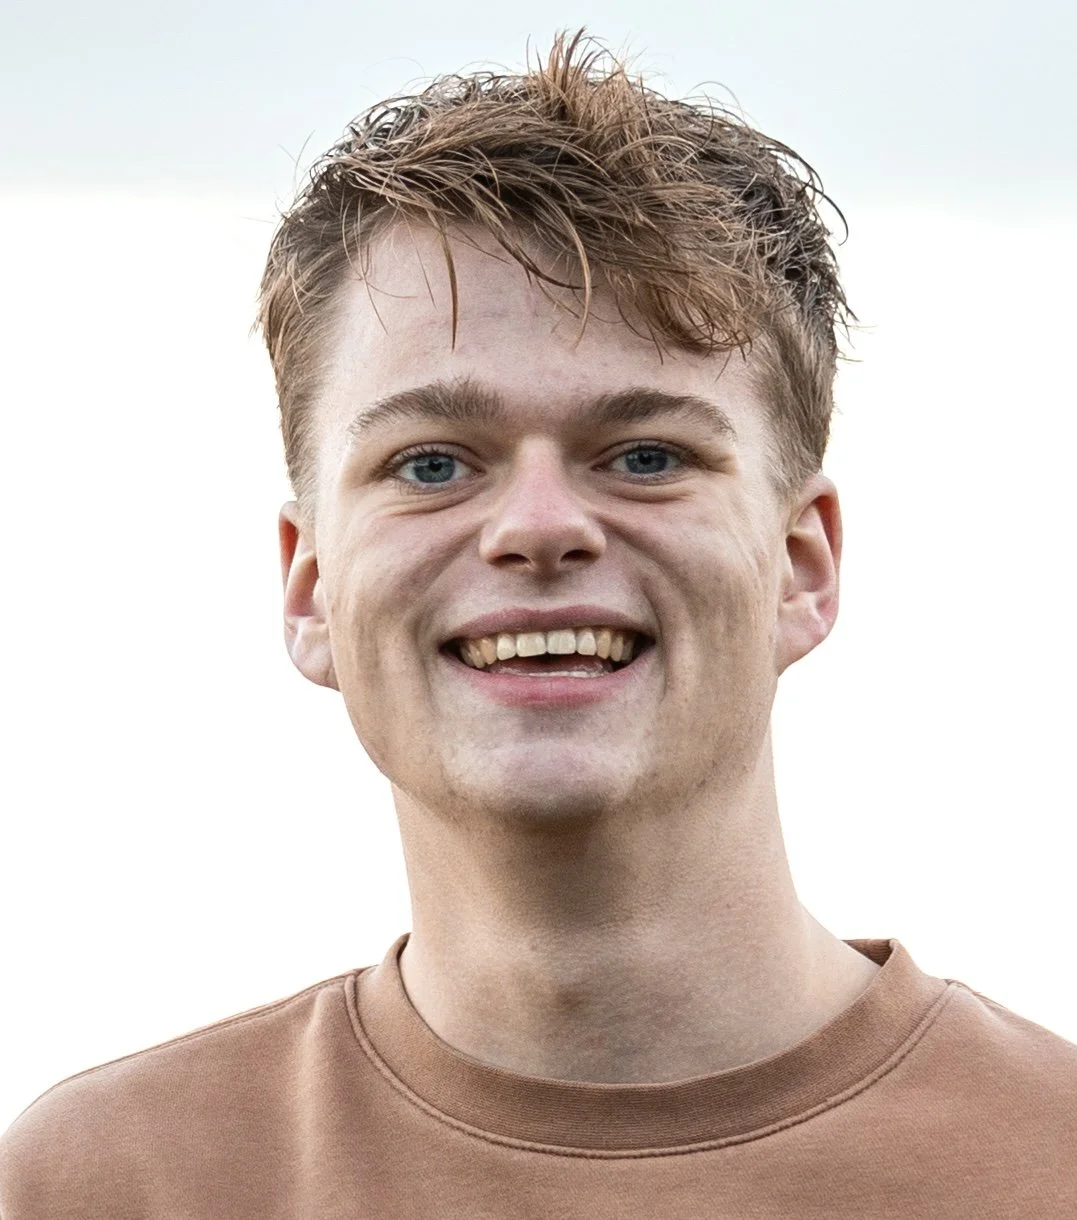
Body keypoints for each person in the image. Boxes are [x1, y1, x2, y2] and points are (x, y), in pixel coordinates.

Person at [2, 30, 1075, 1219]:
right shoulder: (107, 1183)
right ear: (309, 586)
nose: (539, 526)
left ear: (802, 564)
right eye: (430, 463)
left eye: (646, 454)